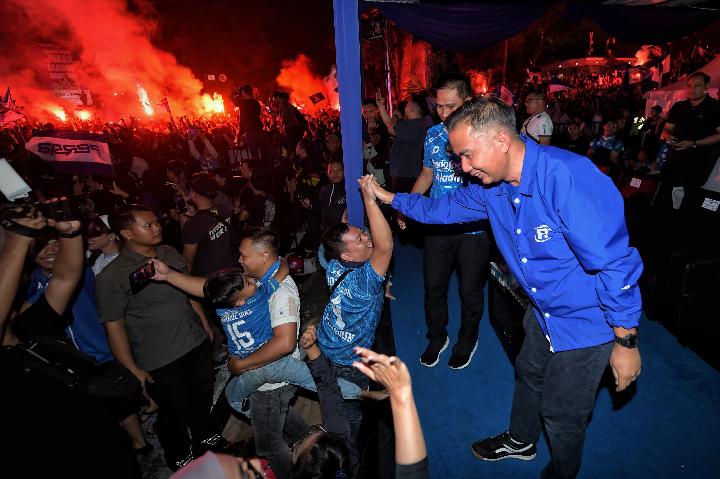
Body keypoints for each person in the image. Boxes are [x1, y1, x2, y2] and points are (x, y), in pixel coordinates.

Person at [368, 97, 643, 479]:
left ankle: (562, 473)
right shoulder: (492, 187)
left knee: (562, 414)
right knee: (528, 373)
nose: (462, 167)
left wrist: (625, 340)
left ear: (501, 140)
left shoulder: (567, 177)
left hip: (589, 321)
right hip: (541, 309)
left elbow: (615, 263)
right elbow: (441, 209)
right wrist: (392, 198)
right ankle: (521, 440)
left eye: (466, 155)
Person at [0, 206, 141, 478]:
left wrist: (71, 231)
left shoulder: (30, 322)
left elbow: (66, 277)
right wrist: (18, 237)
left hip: (98, 439)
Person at [96, 204, 215, 470]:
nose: (157, 227)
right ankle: (179, 454)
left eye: (156, 222)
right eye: (147, 225)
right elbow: (114, 328)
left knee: (201, 398)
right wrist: (133, 369)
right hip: (160, 357)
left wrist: (204, 323)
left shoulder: (168, 252)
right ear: (126, 232)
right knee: (174, 410)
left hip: (194, 341)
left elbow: (186, 291)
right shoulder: (111, 277)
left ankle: (205, 438)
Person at [399, 72, 489, 369]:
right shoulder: (434, 134)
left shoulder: (483, 136)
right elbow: (427, 174)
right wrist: (407, 207)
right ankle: (437, 336)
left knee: (470, 289)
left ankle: (468, 339)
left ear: (468, 102)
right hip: (437, 224)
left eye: (451, 106)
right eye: (439, 106)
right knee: (433, 285)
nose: (444, 112)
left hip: (472, 228)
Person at [317, 174, 394, 440]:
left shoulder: (335, 264)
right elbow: (385, 247)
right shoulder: (362, 283)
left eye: (362, 233)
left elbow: (347, 234)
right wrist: (369, 199)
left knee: (332, 395)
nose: (367, 238)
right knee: (349, 417)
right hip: (347, 360)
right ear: (348, 255)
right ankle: (346, 459)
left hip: (325, 342)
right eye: (361, 240)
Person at [659, 71, 720, 210]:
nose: (692, 89)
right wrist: (669, 136)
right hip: (674, 157)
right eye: (690, 86)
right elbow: (667, 129)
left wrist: (694, 143)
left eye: (697, 86)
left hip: (699, 159)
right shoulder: (679, 106)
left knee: (691, 196)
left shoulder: (715, 107)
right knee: (666, 191)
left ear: (706, 87)